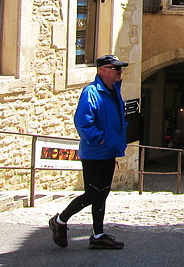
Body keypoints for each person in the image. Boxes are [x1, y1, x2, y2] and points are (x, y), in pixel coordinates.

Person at [48, 54, 128, 250]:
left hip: (109, 150)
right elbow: (83, 122)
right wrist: (101, 138)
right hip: (95, 152)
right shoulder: (91, 92)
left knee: (103, 193)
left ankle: (98, 234)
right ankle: (59, 220)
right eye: (115, 68)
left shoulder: (113, 91)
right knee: (93, 193)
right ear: (102, 70)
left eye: (120, 68)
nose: (120, 71)